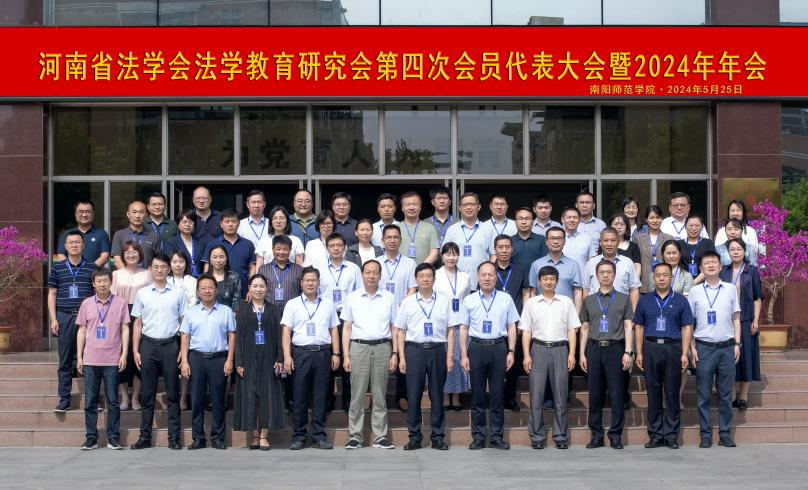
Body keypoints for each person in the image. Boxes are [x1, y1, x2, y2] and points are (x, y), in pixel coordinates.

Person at [634, 262, 695, 449]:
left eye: (665, 275)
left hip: (673, 348)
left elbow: (687, 327)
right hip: (651, 347)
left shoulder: (681, 301)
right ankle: (654, 435)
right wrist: (639, 352)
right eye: (658, 275)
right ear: (653, 277)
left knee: (671, 393)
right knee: (653, 392)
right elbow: (639, 327)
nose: (661, 278)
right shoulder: (645, 300)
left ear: (671, 277)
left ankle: (671, 436)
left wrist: (684, 353)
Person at [129, 253, 187, 450]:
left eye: (163, 267)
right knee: (147, 394)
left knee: (172, 393)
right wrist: (135, 350)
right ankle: (144, 437)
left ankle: (174, 438)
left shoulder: (178, 293)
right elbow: (137, 323)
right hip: (148, 345)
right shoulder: (142, 293)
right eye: (156, 267)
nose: (160, 270)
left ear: (168, 269)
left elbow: (184, 323)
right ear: (150, 269)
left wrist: (183, 350)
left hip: (171, 345)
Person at [460, 262, 519, 450]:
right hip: (476, 348)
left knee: (497, 394)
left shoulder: (505, 298)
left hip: (499, 347)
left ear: (496, 277)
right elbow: (464, 328)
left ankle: (496, 437)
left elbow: (512, 326)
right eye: (483, 275)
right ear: (478, 277)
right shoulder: (469, 300)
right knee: (477, 394)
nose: (487, 278)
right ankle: (478, 437)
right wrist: (464, 355)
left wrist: (511, 351)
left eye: (491, 275)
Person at [395, 263, 454, 450]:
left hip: (437, 350)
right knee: (413, 395)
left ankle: (437, 437)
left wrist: (449, 357)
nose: (425, 279)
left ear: (434, 279)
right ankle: (414, 437)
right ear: (416, 279)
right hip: (414, 351)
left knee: (437, 395)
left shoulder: (444, 301)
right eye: (422, 276)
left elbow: (450, 331)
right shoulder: (408, 302)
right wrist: (402, 357)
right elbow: (401, 332)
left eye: (429, 276)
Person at [520, 265, 580, 449]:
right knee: (536, 396)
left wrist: (572, 353)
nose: (548, 282)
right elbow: (526, 331)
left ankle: (560, 436)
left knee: (561, 397)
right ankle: (537, 437)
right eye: (545, 279)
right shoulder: (531, 303)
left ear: (557, 281)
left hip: (560, 349)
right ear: (539, 282)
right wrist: (526, 355)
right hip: (538, 349)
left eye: (552, 279)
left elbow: (572, 330)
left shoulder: (566, 302)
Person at [341, 260, 398, 449]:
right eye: (368, 272)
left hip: (383, 347)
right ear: (362, 275)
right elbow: (347, 327)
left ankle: (380, 436)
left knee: (379, 394)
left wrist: (395, 353)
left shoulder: (389, 298)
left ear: (380, 276)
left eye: (375, 273)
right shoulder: (353, 297)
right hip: (358, 348)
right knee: (357, 394)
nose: (371, 276)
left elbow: (395, 327)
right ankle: (355, 436)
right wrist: (346, 355)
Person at [281, 267, 341, 450]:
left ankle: (319, 435)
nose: (310, 283)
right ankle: (299, 436)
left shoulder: (328, 304)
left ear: (318, 282)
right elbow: (286, 331)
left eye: (313, 280)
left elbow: (334, 329)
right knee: (299, 396)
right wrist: (287, 356)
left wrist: (336, 353)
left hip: (323, 353)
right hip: (300, 354)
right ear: (301, 283)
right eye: (307, 280)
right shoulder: (292, 304)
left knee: (320, 396)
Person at [688, 251, 742, 448]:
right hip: (704, 348)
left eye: (714, 262)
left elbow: (736, 318)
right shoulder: (694, 291)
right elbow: (689, 323)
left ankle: (725, 434)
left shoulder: (730, 289)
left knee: (726, 394)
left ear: (720, 267)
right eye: (706, 262)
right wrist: (692, 347)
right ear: (701, 268)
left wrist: (737, 344)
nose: (710, 265)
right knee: (703, 394)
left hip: (727, 348)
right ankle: (705, 435)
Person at [579, 261, 634, 449]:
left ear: (614, 274)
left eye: (609, 272)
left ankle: (615, 435)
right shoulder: (589, 300)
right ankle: (596, 435)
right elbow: (585, 328)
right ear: (596, 275)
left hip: (616, 348)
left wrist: (628, 351)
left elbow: (628, 326)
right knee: (595, 394)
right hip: (594, 349)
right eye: (602, 272)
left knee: (617, 394)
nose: (605, 275)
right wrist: (582, 354)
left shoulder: (624, 299)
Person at [179, 273, 236, 450]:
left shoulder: (226, 311)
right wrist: (185, 361)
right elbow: (185, 337)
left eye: (210, 287)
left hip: (219, 358)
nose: (207, 291)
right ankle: (198, 438)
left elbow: (232, 336)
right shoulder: (191, 312)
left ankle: (218, 437)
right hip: (196, 358)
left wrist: (230, 360)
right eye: (203, 288)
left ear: (216, 290)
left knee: (218, 400)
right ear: (198, 291)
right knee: (197, 400)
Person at [75, 268, 130, 450]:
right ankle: (91, 438)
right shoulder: (86, 303)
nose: (102, 284)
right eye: (98, 281)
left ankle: (113, 438)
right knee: (90, 400)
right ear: (93, 283)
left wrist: (124, 354)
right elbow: (81, 330)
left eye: (105, 280)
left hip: (112, 359)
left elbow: (125, 328)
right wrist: (79, 356)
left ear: (110, 282)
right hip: (90, 359)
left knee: (113, 401)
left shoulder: (121, 303)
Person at [233, 274, 285, 451]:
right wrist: (238, 362)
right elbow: (239, 338)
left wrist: (280, 358)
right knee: (250, 397)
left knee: (267, 397)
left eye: (261, 286)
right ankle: (255, 435)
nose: (258, 289)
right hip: (248, 358)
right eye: (254, 286)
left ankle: (264, 436)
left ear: (267, 288)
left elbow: (279, 336)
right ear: (249, 288)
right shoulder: (243, 310)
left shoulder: (274, 310)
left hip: (269, 357)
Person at [48, 230, 97, 413]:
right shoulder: (57, 268)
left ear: (83, 245)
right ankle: (64, 399)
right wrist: (53, 318)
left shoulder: (92, 268)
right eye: (71, 242)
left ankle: (93, 400)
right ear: (65, 246)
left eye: (78, 242)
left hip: (88, 319)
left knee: (91, 360)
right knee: (65, 360)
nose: (74, 245)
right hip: (65, 316)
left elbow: (97, 294)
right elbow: (52, 294)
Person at [257, 234, 303, 413]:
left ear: (290, 251)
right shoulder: (264, 270)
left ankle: (290, 399)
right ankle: (272, 400)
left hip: (293, 322)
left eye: (285, 249)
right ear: (273, 250)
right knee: (271, 358)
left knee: (290, 359)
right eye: (278, 249)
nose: (282, 252)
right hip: (270, 320)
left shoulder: (298, 270)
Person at [319, 233, 363, 412]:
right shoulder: (320, 269)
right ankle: (327, 400)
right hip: (326, 319)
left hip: (347, 319)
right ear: (327, 248)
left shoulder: (353, 269)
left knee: (348, 359)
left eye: (339, 245)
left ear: (345, 248)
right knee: (328, 360)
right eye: (332, 245)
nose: (336, 248)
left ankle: (348, 400)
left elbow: (359, 293)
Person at [719, 238, 763, 411]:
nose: (736, 252)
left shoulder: (751, 271)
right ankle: (731, 394)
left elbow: (757, 298)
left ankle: (743, 395)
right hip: (726, 320)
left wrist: (756, 319)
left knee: (746, 357)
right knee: (729, 357)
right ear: (728, 252)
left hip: (746, 319)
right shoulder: (724, 271)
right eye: (732, 249)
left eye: (739, 249)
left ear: (745, 251)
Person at [377, 224, 417, 410]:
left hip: (403, 315)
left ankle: (402, 395)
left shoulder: (409, 263)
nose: (392, 240)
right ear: (382, 241)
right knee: (381, 353)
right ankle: (378, 395)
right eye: (388, 237)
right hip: (381, 314)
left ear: (400, 240)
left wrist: (401, 308)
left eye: (395, 237)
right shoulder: (376, 263)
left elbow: (412, 288)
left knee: (402, 353)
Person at [111, 241, 151, 411]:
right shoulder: (116, 274)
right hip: (121, 315)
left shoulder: (147, 273)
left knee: (138, 357)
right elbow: (112, 298)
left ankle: (135, 398)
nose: (131, 254)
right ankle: (124, 398)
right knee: (122, 356)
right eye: (127, 252)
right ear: (122, 255)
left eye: (134, 251)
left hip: (141, 316)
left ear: (140, 254)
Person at [493, 235, 531, 412]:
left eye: (507, 247)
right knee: (495, 364)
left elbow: (526, 294)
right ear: (495, 249)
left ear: (512, 249)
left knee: (512, 364)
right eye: (500, 247)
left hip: (514, 324)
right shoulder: (489, 269)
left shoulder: (520, 269)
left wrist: (523, 319)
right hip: (494, 324)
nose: (504, 250)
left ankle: (510, 398)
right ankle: (496, 399)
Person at [434, 242, 472, 411]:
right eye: (448, 254)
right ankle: (444, 395)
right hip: (441, 323)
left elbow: (467, 299)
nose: (451, 258)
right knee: (443, 360)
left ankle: (456, 395)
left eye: (454, 254)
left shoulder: (465, 276)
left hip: (460, 323)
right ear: (442, 256)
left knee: (457, 360)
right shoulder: (436, 275)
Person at [443, 192, 494, 291]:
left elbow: (494, 254)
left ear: (478, 207)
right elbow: (445, 255)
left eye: (472, 204)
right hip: (456, 283)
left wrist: (488, 271)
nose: (468, 207)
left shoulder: (488, 229)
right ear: (460, 208)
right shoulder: (452, 230)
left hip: (482, 283)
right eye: (465, 205)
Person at [168, 250, 197, 411]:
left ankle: (183, 397)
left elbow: (193, 302)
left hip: (188, 327)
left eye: (181, 261)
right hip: (169, 328)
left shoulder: (192, 281)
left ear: (186, 264)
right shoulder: (165, 280)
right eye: (174, 262)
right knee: (171, 365)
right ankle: (172, 397)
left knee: (185, 364)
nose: (178, 265)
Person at [529, 226, 583, 311]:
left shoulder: (573, 265)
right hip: (542, 312)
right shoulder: (536, 265)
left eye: (559, 238)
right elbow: (533, 292)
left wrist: (576, 316)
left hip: (566, 312)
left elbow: (578, 292)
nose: (556, 242)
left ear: (564, 241)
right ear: (546, 242)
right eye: (552, 238)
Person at [202, 208, 256, 294]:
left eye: (233, 221)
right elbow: (207, 267)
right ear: (221, 224)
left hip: (243, 292)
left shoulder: (248, 244)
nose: (230, 224)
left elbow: (252, 267)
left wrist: (251, 288)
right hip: (217, 293)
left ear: (239, 223)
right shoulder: (212, 244)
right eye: (227, 221)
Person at [582, 228, 641, 304]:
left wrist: (633, 310)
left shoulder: (627, 263)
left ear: (618, 242)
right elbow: (586, 289)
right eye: (606, 240)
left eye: (613, 240)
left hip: (621, 308)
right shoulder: (591, 263)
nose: (609, 244)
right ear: (600, 242)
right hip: (595, 308)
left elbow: (634, 289)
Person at [55, 199, 111, 267]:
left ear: (93, 214)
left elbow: (105, 256)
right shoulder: (66, 234)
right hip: (70, 272)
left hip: (94, 273)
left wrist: (88, 270)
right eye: (81, 211)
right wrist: (71, 269)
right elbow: (61, 255)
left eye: (88, 212)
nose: (84, 215)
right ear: (75, 214)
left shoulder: (102, 234)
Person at [634, 205, 675, 294]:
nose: (655, 220)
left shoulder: (669, 238)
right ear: (646, 220)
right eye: (651, 218)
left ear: (661, 219)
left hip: (663, 283)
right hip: (643, 283)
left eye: (658, 217)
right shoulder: (638, 239)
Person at [111, 200, 161, 269]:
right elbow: (115, 259)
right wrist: (127, 274)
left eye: (141, 212)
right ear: (128, 214)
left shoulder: (153, 236)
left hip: (147, 274)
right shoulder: (119, 235)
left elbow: (158, 260)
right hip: (125, 274)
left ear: (146, 215)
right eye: (134, 212)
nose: (137, 216)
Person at [255, 205, 305, 269]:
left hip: (291, 275)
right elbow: (259, 267)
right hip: (267, 275)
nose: (278, 221)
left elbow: (300, 267)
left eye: (281, 218)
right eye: (275, 218)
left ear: (287, 220)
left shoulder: (296, 241)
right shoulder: (263, 241)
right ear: (271, 221)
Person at [399, 191, 440, 264]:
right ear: (402, 208)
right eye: (408, 205)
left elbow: (434, 253)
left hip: (424, 270)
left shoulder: (430, 228)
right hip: (400, 270)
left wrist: (421, 268)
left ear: (420, 207)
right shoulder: (395, 228)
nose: (411, 208)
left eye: (415, 204)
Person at [163, 209, 204, 278]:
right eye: (184, 222)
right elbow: (168, 262)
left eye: (190, 222)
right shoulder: (171, 243)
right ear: (178, 225)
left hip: (199, 279)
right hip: (179, 278)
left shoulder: (200, 242)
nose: (187, 224)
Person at [561, 207, 598, 276]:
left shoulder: (587, 239)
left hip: (582, 280)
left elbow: (592, 263)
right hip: (561, 279)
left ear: (579, 220)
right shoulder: (557, 239)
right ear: (562, 220)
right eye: (569, 217)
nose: (572, 220)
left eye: (575, 217)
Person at [679, 214, 716, 283]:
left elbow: (710, 265)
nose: (693, 228)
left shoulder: (708, 243)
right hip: (682, 282)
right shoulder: (678, 244)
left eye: (697, 225)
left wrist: (693, 283)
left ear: (702, 227)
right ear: (685, 226)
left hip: (704, 283)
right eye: (690, 225)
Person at [511, 207, 548, 272]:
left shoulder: (541, 240)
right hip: (515, 277)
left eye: (527, 219)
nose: (524, 222)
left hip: (537, 276)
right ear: (515, 222)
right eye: (520, 219)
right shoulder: (509, 241)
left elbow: (546, 261)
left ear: (533, 222)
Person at [207, 245, 242, 313]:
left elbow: (236, 303)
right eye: (215, 257)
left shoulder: (234, 277)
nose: (218, 260)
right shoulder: (203, 278)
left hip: (228, 316)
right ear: (210, 260)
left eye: (221, 257)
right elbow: (199, 301)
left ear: (226, 259)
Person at [608, 213, 641, 277]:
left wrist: (633, 282)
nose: (619, 227)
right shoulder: (604, 245)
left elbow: (637, 268)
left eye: (622, 224)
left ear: (627, 227)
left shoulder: (633, 246)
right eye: (616, 224)